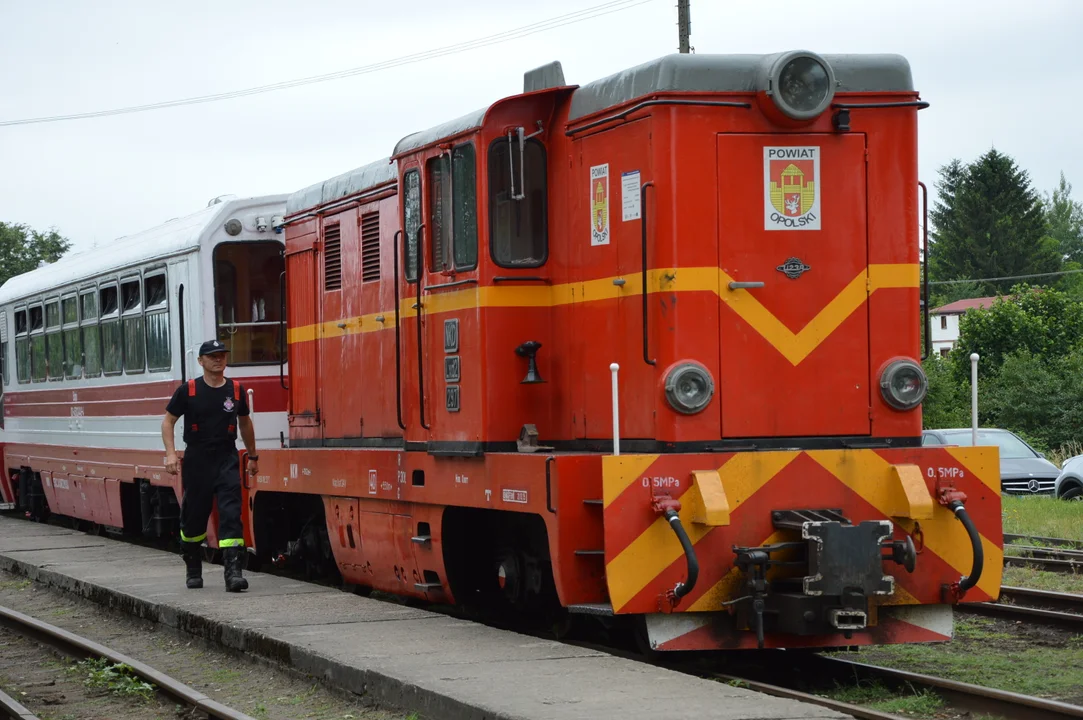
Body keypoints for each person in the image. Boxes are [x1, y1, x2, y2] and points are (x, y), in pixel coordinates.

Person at [161, 339, 258, 592]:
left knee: (231, 513)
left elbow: (245, 423)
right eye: (212, 356)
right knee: (194, 515)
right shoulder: (189, 390)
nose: (218, 359)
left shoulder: (236, 390)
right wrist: (171, 454)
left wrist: (253, 455)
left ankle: (233, 573)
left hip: (227, 456)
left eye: (222, 355)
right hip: (197, 458)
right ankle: (193, 565)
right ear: (200, 361)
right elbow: (168, 422)